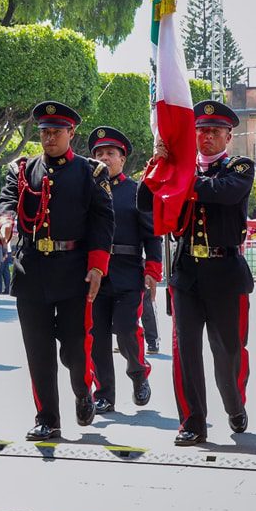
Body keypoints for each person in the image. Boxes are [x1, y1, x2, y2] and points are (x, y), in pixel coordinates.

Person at [0, 101, 114, 441]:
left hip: (74, 270)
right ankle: (48, 418)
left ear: (70, 133)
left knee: (75, 348)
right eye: (44, 132)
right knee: (38, 349)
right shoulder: (22, 170)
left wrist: (97, 266)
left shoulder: (91, 172)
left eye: (56, 132)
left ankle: (82, 390)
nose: (49, 138)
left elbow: (103, 221)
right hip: (31, 268)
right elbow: (6, 200)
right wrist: (3, 219)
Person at [150, 101, 255, 447]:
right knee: (185, 352)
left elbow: (224, 193)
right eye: (201, 131)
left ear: (228, 135)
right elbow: (143, 201)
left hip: (225, 271)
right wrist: (161, 163)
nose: (207, 137)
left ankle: (234, 404)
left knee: (229, 352)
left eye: (214, 131)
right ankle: (193, 421)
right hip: (186, 273)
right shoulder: (180, 169)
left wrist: (179, 175)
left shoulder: (240, 167)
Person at [87, 126, 162, 414]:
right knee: (98, 336)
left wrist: (152, 270)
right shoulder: (87, 190)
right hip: (95, 275)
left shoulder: (136, 192)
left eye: (111, 153)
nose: (105, 158)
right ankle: (104, 393)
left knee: (127, 330)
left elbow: (151, 235)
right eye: (99, 154)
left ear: (122, 158)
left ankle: (138, 373)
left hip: (128, 272)